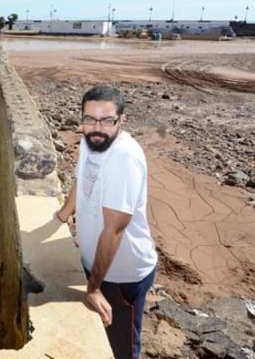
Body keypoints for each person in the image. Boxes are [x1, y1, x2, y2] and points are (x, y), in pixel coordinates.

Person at [55, 85, 157, 359]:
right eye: (89, 119)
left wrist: (94, 288)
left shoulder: (123, 158)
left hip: (121, 275)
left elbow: (115, 229)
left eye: (107, 120)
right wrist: (62, 215)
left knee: (122, 348)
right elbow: (82, 179)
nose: (97, 127)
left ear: (122, 119)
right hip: (98, 266)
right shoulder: (92, 141)